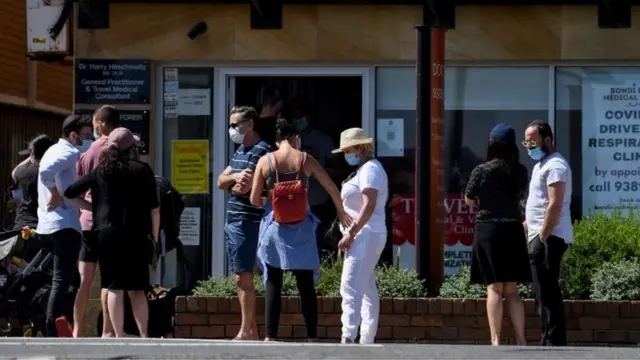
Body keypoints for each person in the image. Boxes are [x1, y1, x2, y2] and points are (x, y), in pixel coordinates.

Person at [249, 119, 351, 342]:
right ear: (296, 138)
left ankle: (270, 336)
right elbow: (331, 187)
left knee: (273, 279)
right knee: (305, 283)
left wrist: (273, 196)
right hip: (301, 227)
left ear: (276, 141)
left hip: (275, 227)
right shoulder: (305, 159)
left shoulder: (266, 161)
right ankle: (312, 336)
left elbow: (254, 199)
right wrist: (342, 213)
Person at [64, 127, 160, 338]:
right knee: (137, 287)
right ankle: (144, 334)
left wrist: (92, 208)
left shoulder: (100, 171)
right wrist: (154, 237)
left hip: (106, 234)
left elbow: (69, 193)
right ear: (132, 147)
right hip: (136, 234)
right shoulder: (142, 170)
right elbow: (154, 209)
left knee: (113, 286)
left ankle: (118, 335)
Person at [464, 123, 531, 346]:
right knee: (512, 290)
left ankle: (495, 339)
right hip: (513, 228)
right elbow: (521, 195)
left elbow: (469, 199)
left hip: (489, 229)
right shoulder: (520, 170)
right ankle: (521, 339)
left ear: (492, 144)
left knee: (494, 286)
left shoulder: (482, 170)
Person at [216, 106, 270, 340]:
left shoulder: (262, 151)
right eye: (230, 125)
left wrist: (236, 183)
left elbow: (246, 190)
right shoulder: (240, 150)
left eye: (236, 125)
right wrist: (235, 177)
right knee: (239, 276)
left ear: (250, 125)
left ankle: (246, 330)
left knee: (243, 276)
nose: (232, 129)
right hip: (233, 219)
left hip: (248, 221)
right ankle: (252, 329)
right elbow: (221, 181)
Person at [330, 128, 389, 345]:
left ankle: (348, 335)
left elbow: (369, 204)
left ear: (361, 148)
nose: (346, 154)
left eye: (348, 149)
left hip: (365, 234)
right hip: (367, 234)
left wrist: (351, 233)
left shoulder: (370, 169)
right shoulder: (365, 169)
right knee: (365, 288)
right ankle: (366, 338)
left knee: (350, 285)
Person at [36, 115, 93, 337]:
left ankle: (58, 322)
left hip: (49, 226)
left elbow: (69, 194)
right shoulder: (68, 152)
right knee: (62, 279)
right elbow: (45, 172)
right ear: (73, 135)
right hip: (63, 226)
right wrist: (54, 194)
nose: (89, 140)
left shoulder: (53, 150)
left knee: (67, 280)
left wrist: (90, 207)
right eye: (87, 136)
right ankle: (53, 328)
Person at [523, 120, 572, 346]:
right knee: (541, 293)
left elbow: (554, 205)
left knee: (547, 292)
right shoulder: (540, 165)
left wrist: (542, 237)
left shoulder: (556, 165)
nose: (529, 146)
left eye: (533, 141)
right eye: (527, 142)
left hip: (549, 238)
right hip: (538, 235)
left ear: (548, 140)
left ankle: (553, 342)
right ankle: (548, 338)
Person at [73, 105, 120, 338]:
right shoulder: (120, 148)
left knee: (85, 280)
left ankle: (78, 330)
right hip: (110, 221)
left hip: (87, 222)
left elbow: (77, 193)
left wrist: (89, 208)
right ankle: (107, 330)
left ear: (99, 123)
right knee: (109, 279)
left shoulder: (87, 152)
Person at [291, 97, 337, 258]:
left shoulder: (323, 140)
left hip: (318, 202)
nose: (299, 120)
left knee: (318, 245)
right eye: (295, 117)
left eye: (302, 116)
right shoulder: (289, 141)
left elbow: (336, 171)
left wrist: (315, 163)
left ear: (310, 118)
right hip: (293, 202)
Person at [12, 135, 54, 231]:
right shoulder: (54, 172)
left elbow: (14, 173)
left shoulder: (23, 171)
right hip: (46, 227)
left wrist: (31, 155)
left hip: (22, 226)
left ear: (33, 152)